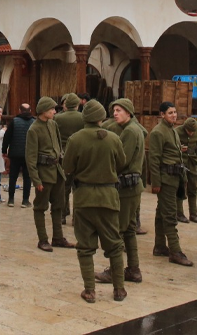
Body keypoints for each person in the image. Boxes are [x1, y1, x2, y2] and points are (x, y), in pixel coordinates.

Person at [62, 100, 127, 303]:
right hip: (109, 197)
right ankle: (119, 289)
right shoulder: (114, 138)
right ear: (101, 117)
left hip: (84, 198)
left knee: (85, 247)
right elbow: (121, 163)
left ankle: (89, 290)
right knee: (114, 246)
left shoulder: (75, 139)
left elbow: (67, 167)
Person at [100, 97, 146, 284]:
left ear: (128, 112)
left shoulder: (130, 131)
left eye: (119, 110)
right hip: (132, 187)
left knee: (117, 230)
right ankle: (133, 269)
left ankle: (115, 271)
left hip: (126, 188)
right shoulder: (135, 128)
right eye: (114, 110)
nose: (115, 113)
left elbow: (122, 159)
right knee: (129, 230)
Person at [147, 101, 192, 266]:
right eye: (170, 113)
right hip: (165, 179)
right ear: (162, 115)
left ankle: (159, 246)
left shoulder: (172, 130)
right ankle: (175, 251)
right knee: (170, 215)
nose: (174, 115)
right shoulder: (158, 132)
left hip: (174, 178)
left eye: (174, 112)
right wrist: (156, 183)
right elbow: (154, 159)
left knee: (161, 213)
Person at [27, 96, 73, 251]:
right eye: (52, 109)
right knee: (40, 207)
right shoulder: (34, 129)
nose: (54, 111)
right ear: (43, 111)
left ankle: (58, 238)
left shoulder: (53, 124)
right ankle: (43, 240)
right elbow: (30, 158)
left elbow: (59, 147)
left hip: (57, 171)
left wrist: (64, 167)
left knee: (59, 205)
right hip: (44, 173)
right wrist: (36, 180)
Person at [56, 94, 85, 222]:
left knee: (64, 187)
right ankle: (76, 217)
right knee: (78, 187)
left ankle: (62, 215)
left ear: (65, 105)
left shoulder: (57, 118)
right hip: (80, 155)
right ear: (78, 105)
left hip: (63, 154)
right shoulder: (83, 118)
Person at [5, 103, 35, 208]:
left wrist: (4, 150)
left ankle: (11, 199)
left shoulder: (14, 121)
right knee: (27, 178)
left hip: (15, 153)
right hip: (29, 154)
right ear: (30, 110)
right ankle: (25, 201)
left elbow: (7, 137)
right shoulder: (34, 122)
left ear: (19, 110)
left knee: (13, 177)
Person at [177, 117, 197, 224]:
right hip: (181, 162)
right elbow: (171, 145)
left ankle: (193, 214)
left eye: (193, 131)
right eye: (189, 131)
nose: (191, 133)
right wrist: (179, 148)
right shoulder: (177, 131)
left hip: (192, 162)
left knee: (193, 188)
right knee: (180, 187)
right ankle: (179, 213)